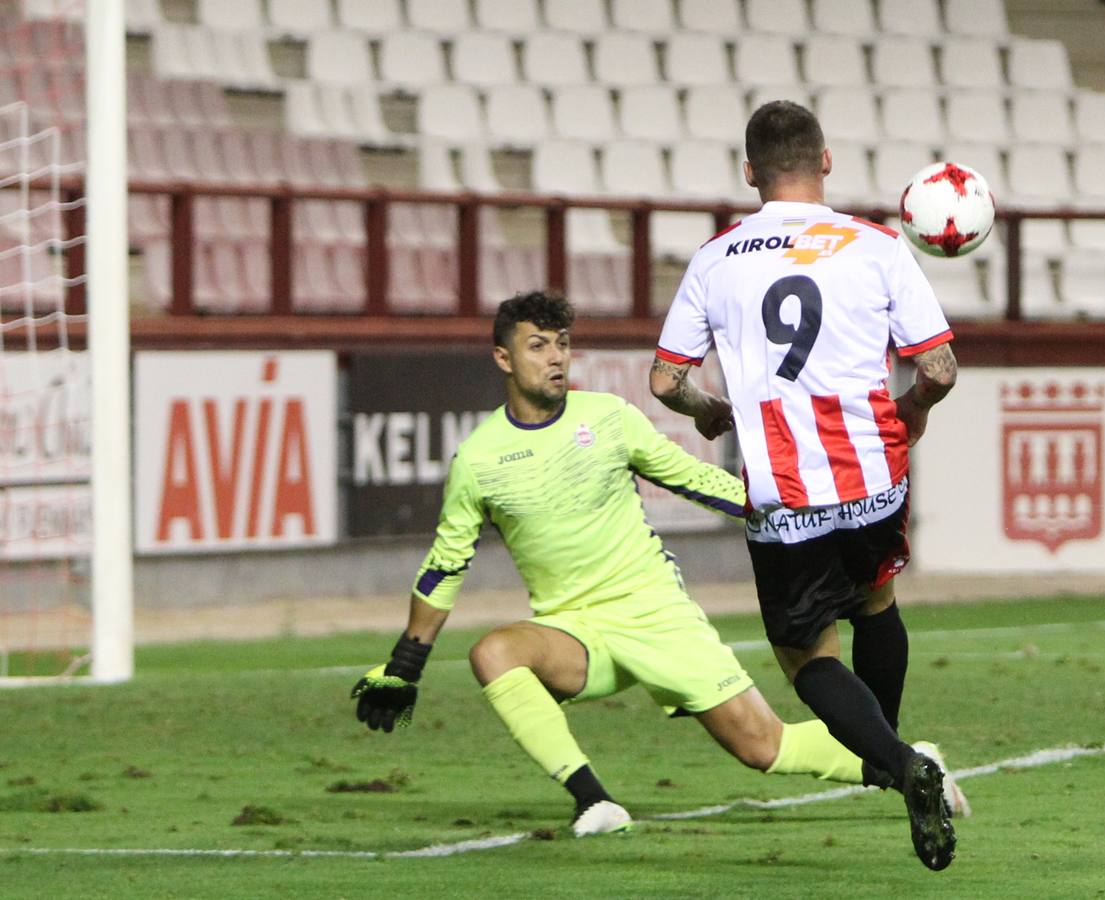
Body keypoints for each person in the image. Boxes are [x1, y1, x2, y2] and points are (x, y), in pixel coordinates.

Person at [351, 291, 903, 839]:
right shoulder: (478, 458)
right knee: (494, 652)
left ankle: (903, 763)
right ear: (503, 358)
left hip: (654, 612)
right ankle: (593, 799)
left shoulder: (609, 417)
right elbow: (445, 565)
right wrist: (406, 662)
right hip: (573, 632)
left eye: (562, 345)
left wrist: (781, 505)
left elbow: (694, 478)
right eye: (538, 346)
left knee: (763, 747)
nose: (555, 358)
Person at [649, 101, 965, 871]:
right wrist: (912, 413)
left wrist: (712, 412)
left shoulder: (716, 258)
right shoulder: (877, 245)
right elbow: (939, 368)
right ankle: (889, 753)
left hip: (784, 494)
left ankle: (896, 763)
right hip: (874, 477)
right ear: (826, 162)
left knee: (805, 655)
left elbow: (665, 380)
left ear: (749, 174)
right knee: (878, 602)